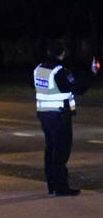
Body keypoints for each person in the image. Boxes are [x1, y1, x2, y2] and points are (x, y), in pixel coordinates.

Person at [34, 40, 97, 197]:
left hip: (44, 115)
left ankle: (52, 185)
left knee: (50, 149)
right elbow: (78, 89)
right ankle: (62, 187)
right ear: (62, 54)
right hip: (59, 115)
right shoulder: (59, 71)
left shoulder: (39, 69)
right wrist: (92, 73)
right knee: (61, 152)